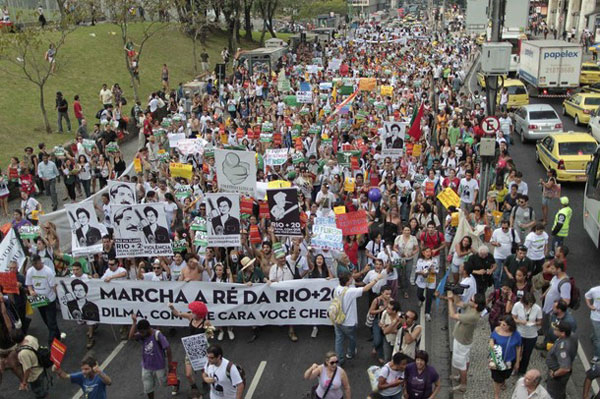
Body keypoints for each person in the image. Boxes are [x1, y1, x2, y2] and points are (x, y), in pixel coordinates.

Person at [333, 271, 383, 365]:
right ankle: (350, 353)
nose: (352, 279)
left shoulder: (337, 289)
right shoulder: (350, 291)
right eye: (350, 278)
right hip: (348, 322)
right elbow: (365, 288)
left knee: (339, 340)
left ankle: (339, 359)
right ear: (348, 282)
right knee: (352, 338)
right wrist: (377, 279)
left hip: (337, 319)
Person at [169, 301, 214, 399]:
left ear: (199, 313)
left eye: (194, 312)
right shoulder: (190, 317)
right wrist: (172, 307)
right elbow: (177, 314)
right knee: (188, 374)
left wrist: (203, 338)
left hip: (202, 350)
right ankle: (194, 387)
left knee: (204, 372)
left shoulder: (205, 322)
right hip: (190, 349)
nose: (192, 313)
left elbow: (211, 334)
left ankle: (205, 382)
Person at [129, 314, 178, 398]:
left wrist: (170, 363)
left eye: (143, 332)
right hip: (146, 366)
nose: (141, 334)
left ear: (148, 329)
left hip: (159, 365)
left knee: (164, 382)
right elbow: (130, 337)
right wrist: (134, 323)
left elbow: (168, 348)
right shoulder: (142, 334)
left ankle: (176, 382)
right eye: (140, 332)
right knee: (148, 387)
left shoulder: (157, 335)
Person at [447, 292, 485, 393]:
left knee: (461, 363)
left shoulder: (473, 316)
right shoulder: (472, 307)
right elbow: (459, 303)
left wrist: (450, 302)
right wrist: (455, 294)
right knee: (465, 360)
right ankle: (460, 376)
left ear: (476, 304)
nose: (469, 300)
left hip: (462, 341)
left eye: (471, 300)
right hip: (465, 339)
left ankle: (463, 384)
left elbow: (452, 315)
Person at [25, 255, 61, 346]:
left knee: (51, 322)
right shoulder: (30, 271)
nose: (34, 266)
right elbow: (29, 284)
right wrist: (31, 291)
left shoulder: (48, 272)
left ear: (40, 261)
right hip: (39, 300)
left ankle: (51, 344)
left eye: (36, 263)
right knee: (47, 321)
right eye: (33, 264)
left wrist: (58, 300)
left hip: (49, 300)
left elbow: (53, 287)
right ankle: (57, 336)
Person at [489, 316, 522, 399]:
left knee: (506, 374)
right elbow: (492, 338)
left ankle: (503, 381)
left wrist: (518, 361)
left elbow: (518, 347)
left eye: (504, 325)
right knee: (496, 378)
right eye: (501, 323)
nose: (501, 326)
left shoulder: (516, 335)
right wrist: (491, 344)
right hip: (496, 358)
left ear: (509, 326)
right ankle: (496, 395)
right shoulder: (496, 329)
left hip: (509, 360)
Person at [12, 329, 50, 398]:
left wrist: (24, 382)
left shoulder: (23, 353)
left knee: (40, 393)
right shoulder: (30, 337)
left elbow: (27, 369)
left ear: (13, 341)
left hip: (35, 376)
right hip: (41, 367)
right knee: (42, 388)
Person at [511, 292, 542, 374]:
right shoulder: (517, 305)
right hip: (519, 333)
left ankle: (522, 371)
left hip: (531, 335)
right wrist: (520, 321)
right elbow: (513, 318)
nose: (528, 306)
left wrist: (534, 323)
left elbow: (540, 321)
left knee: (526, 355)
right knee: (516, 352)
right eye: (526, 304)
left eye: (530, 304)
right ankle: (514, 368)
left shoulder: (537, 309)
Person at [545, 321, 577, 399]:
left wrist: (554, 374)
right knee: (560, 391)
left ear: (563, 333)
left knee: (553, 394)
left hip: (558, 375)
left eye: (556, 329)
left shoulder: (563, 348)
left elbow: (565, 368)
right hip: (558, 369)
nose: (554, 330)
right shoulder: (572, 335)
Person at [585, 283, 600, 363]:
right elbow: (587, 296)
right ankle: (597, 356)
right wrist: (590, 306)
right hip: (596, 317)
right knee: (599, 339)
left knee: (597, 335)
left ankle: (593, 337)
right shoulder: (594, 290)